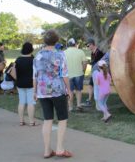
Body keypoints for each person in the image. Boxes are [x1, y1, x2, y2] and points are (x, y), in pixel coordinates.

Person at [33, 30, 72, 158]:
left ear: (45, 41)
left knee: (47, 119)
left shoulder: (38, 56)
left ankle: (46, 150)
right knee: (62, 119)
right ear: (56, 41)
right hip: (58, 91)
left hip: (43, 91)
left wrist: (35, 91)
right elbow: (64, 74)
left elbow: (35, 76)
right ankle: (60, 148)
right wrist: (69, 90)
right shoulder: (60, 55)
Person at [15, 42, 36, 126]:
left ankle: (21, 121)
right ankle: (31, 122)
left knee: (21, 102)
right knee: (31, 102)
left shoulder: (18, 59)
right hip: (31, 83)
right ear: (31, 50)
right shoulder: (33, 60)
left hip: (20, 83)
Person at [64, 38, 87, 111]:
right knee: (78, 90)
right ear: (75, 44)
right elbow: (85, 63)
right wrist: (83, 70)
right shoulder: (80, 51)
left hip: (68, 75)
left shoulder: (64, 52)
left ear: (68, 44)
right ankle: (78, 105)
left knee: (69, 91)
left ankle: (70, 107)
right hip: (79, 74)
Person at [85, 38, 104, 107]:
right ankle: (90, 100)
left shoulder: (99, 52)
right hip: (94, 72)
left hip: (99, 73)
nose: (88, 47)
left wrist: (88, 63)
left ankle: (100, 102)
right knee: (90, 85)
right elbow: (93, 63)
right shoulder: (92, 53)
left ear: (92, 44)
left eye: (88, 45)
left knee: (98, 87)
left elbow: (99, 63)